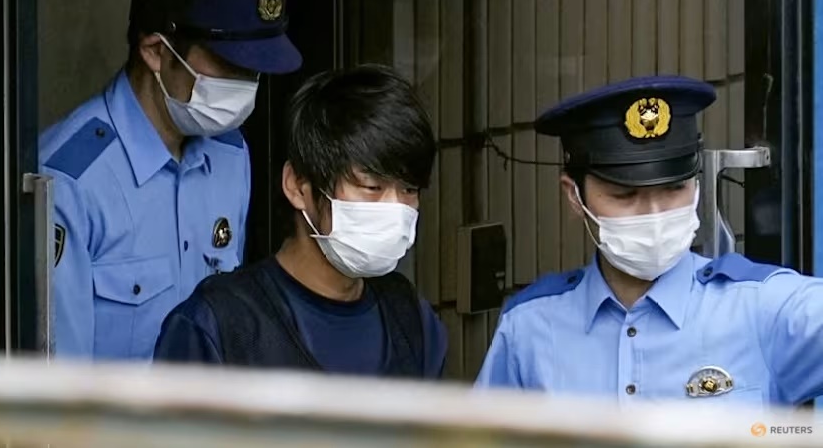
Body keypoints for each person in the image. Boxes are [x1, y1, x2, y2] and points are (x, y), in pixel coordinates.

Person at [475, 75, 823, 407]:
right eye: (625, 194)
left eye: (674, 188)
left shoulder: (762, 309)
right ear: (574, 196)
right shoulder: (529, 329)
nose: (655, 214)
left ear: (697, 183)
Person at [39, 0, 301, 359]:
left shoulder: (231, 154)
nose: (246, 85)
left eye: (255, 71)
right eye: (230, 65)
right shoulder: (70, 181)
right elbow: (61, 387)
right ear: (157, 52)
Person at [153, 65, 448, 379]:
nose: (395, 208)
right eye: (371, 187)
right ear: (297, 186)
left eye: (409, 190)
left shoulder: (413, 322)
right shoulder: (219, 326)